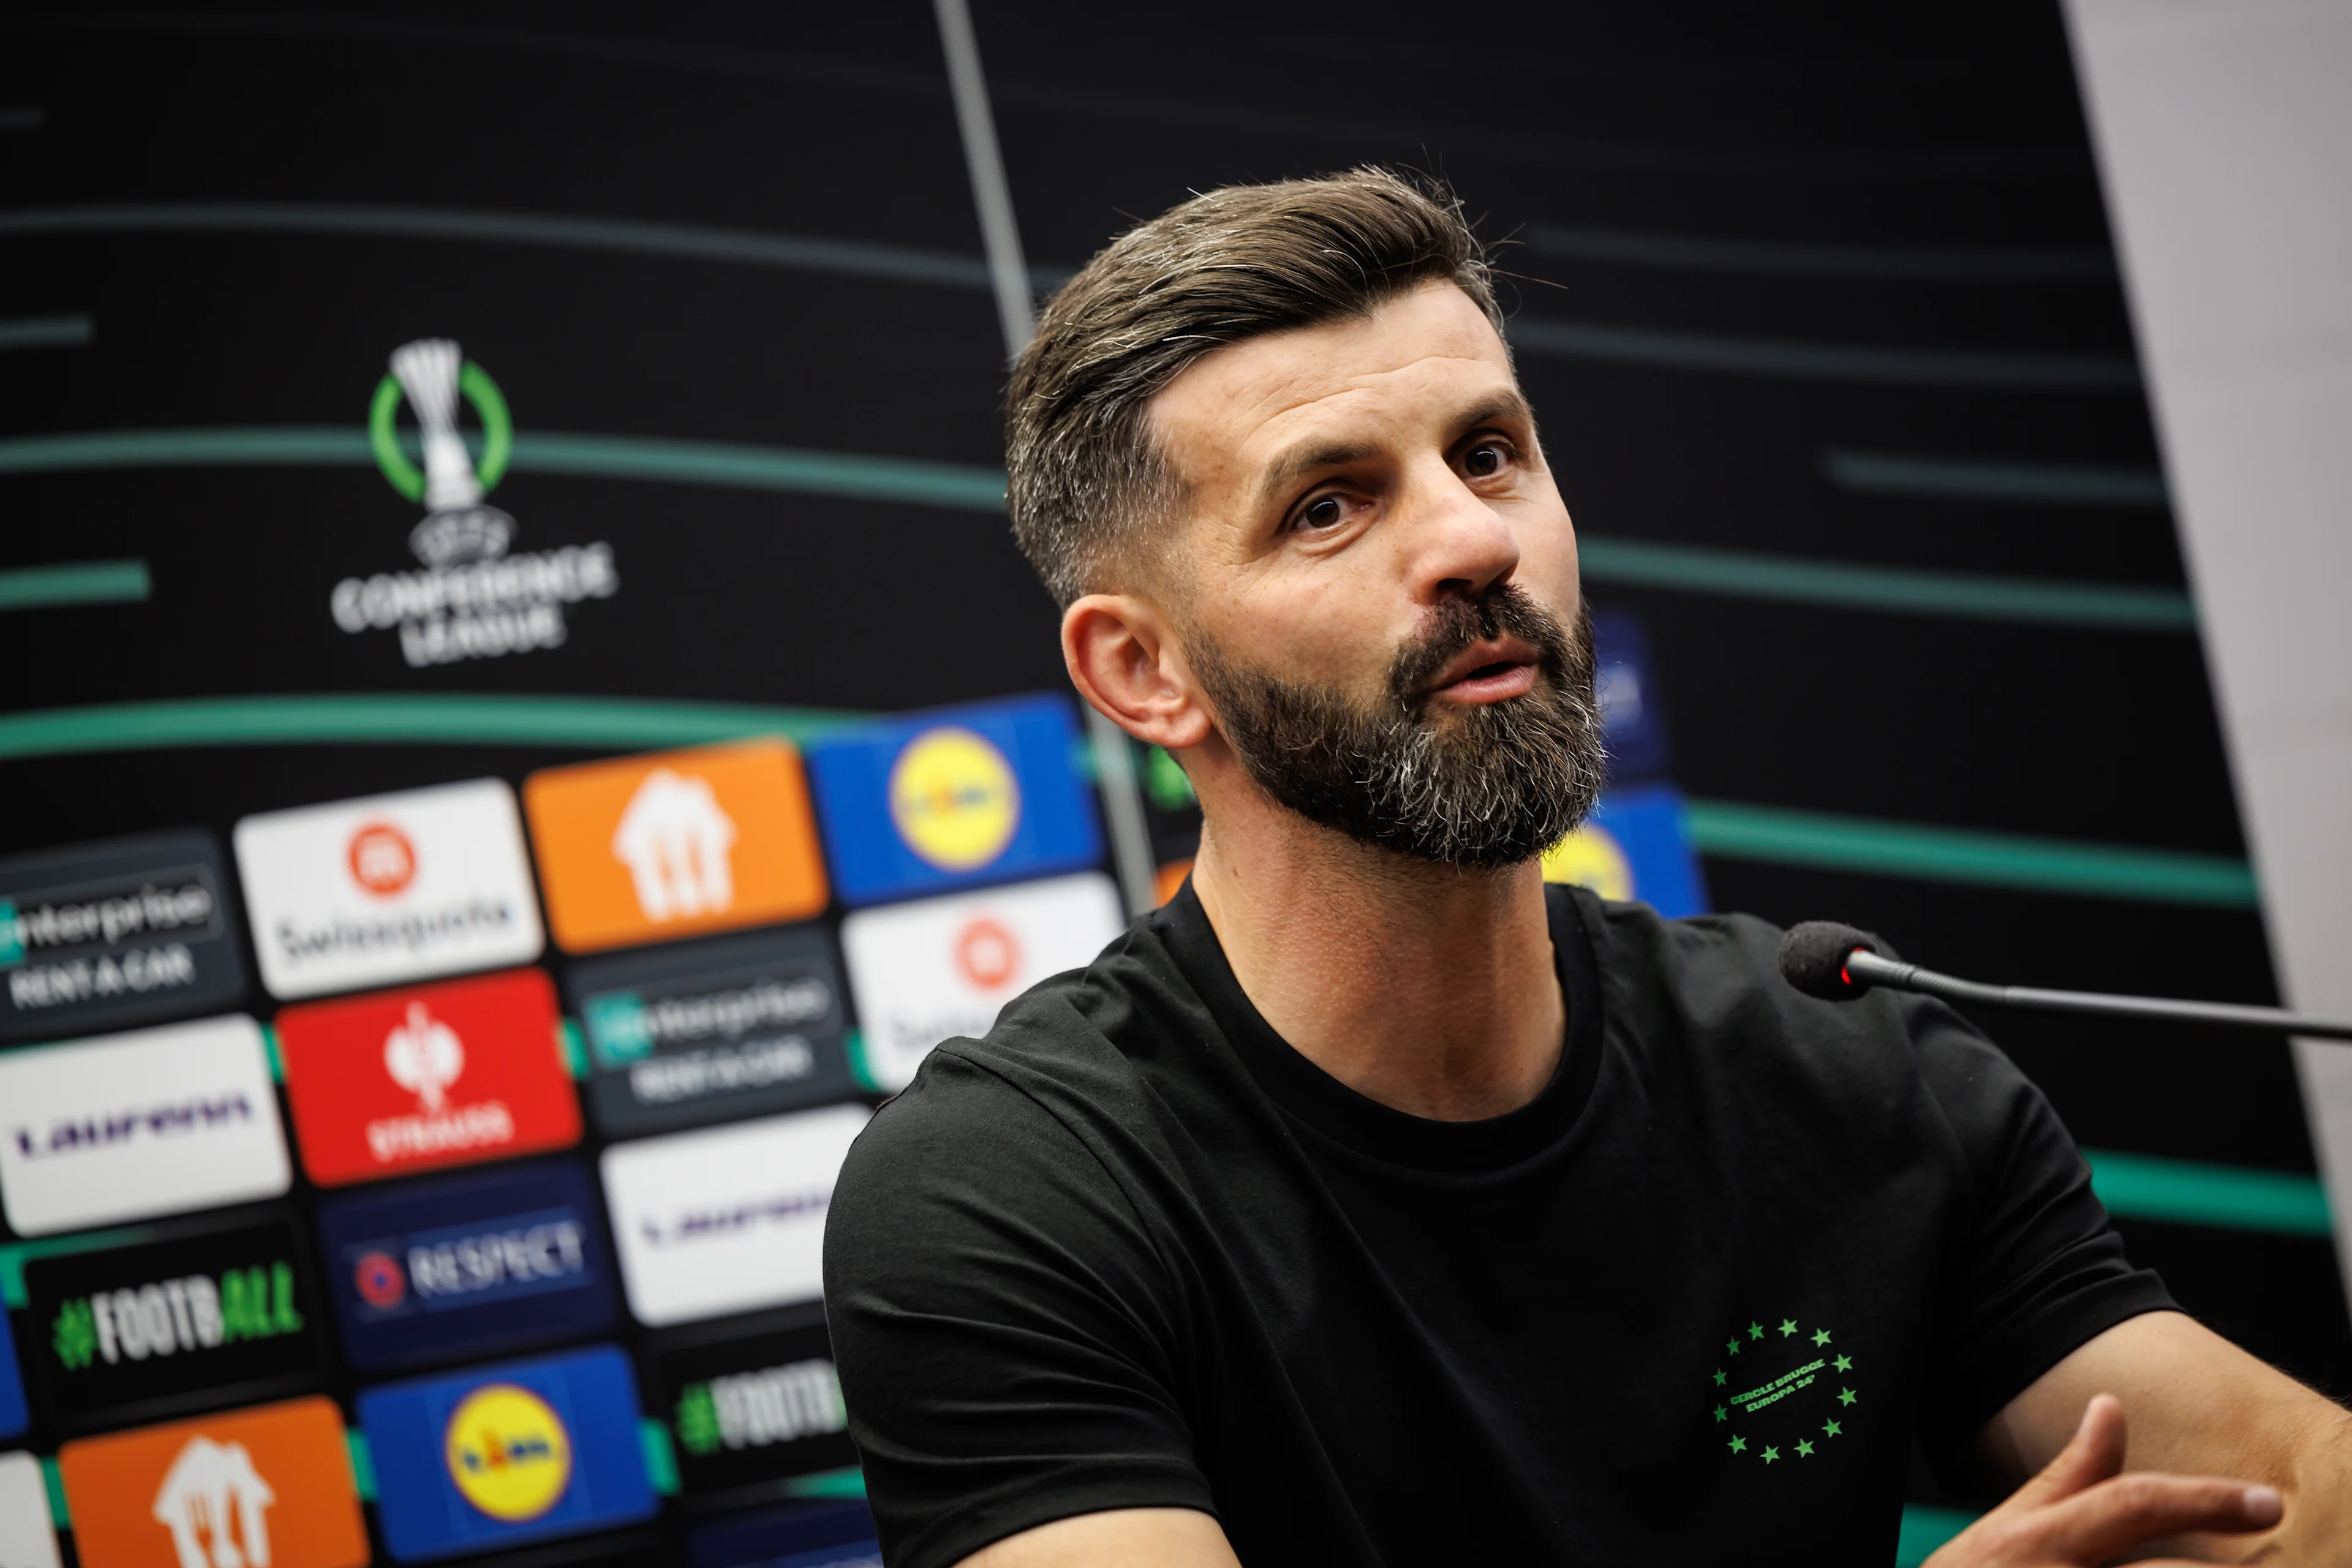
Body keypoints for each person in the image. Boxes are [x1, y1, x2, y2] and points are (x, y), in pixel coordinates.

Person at [823, 168, 2350, 1567]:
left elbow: (2290, 1491)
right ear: (1147, 672)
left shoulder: (1843, 1057)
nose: (1471, 540)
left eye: (1489, 453)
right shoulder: (1012, 1197)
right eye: (1330, 504)